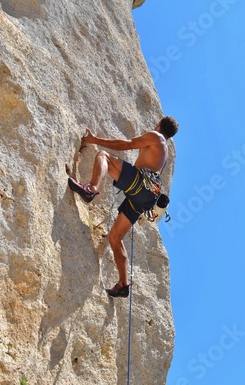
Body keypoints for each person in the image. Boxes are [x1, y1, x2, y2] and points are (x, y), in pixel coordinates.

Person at [68, 116, 179, 298]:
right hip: (145, 198)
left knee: (104, 156)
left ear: (159, 124)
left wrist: (95, 140)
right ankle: (123, 284)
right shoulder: (164, 154)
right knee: (115, 237)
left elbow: (127, 144)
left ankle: (91, 189)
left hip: (140, 185)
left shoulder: (156, 137)